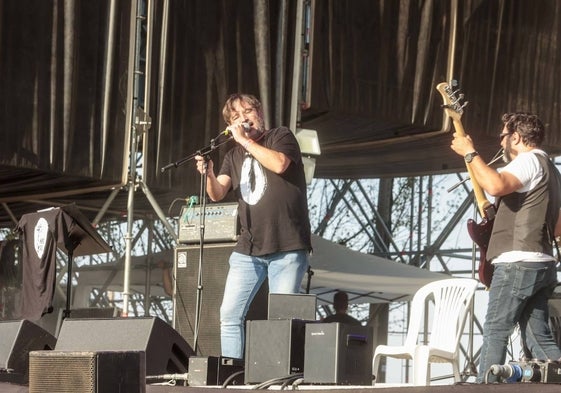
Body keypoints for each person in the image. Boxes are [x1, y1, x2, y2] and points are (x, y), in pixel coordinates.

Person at [195, 93, 311, 359]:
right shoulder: (233, 155)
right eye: (236, 117)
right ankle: (232, 374)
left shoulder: (280, 136)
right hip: (248, 248)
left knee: (282, 319)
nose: (243, 119)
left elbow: (280, 164)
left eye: (247, 112)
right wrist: (209, 173)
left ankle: (278, 378)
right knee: (229, 314)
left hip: (287, 244)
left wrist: (245, 141)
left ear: (259, 112)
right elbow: (217, 192)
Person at [450, 112, 561, 383]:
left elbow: (495, 184)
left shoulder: (527, 161)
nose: (501, 144)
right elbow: (558, 227)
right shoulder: (552, 169)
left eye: (503, 136)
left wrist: (469, 152)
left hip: (517, 261)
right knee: (538, 336)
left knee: (496, 328)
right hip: (542, 262)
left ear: (516, 137)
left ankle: (484, 387)